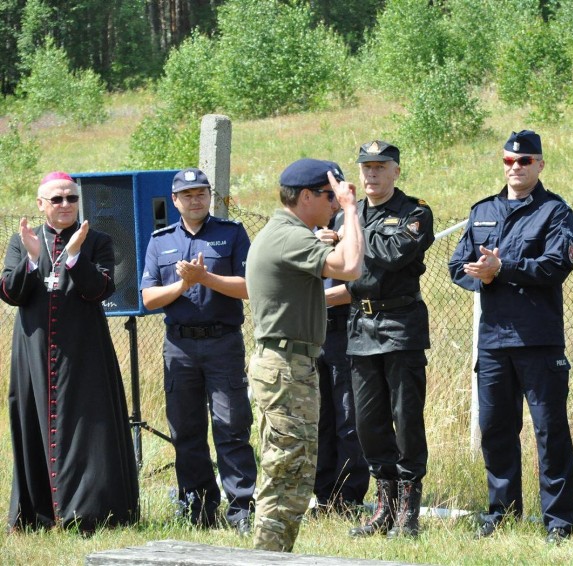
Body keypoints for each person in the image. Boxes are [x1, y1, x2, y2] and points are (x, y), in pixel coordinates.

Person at [448, 130, 573, 544]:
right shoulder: (482, 210)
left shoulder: (555, 212)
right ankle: (501, 513)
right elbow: (456, 264)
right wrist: (480, 276)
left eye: (524, 161)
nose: (515, 168)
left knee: (549, 431)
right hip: (493, 342)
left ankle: (558, 521)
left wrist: (503, 269)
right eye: (508, 161)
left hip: (538, 341)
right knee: (494, 429)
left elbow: (556, 265)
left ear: (540, 164)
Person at [1, 171, 139, 533]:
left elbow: (100, 291)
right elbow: (11, 294)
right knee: (35, 422)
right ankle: (39, 514)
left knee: (89, 426)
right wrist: (31, 261)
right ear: (41, 204)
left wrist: (76, 256)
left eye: (72, 198)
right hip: (33, 350)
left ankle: (92, 512)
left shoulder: (99, 240)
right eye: (57, 199)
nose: (66, 205)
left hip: (85, 349)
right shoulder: (23, 241)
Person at [245, 159, 363, 552]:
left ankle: (277, 555)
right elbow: (350, 267)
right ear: (307, 196)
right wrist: (351, 210)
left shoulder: (294, 234)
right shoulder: (289, 236)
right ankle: (265, 558)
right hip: (284, 367)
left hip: (292, 364)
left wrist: (326, 237)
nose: (335, 202)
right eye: (330, 195)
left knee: (295, 469)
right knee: (284, 468)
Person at [140, 167, 257, 534]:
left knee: (231, 425)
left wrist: (205, 278)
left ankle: (241, 510)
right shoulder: (159, 240)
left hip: (223, 342)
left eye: (201, 193)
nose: (195, 199)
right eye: (187, 194)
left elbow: (249, 287)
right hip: (179, 346)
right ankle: (198, 507)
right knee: (186, 430)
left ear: (210, 196)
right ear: (174, 201)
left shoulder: (231, 234)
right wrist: (182, 285)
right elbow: (148, 297)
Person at [335, 140, 434, 539]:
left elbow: (394, 255)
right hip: (360, 324)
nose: (372, 174)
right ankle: (384, 507)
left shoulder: (415, 212)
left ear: (396, 171)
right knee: (368, 421)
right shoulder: (352, 213)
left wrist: (349, 235)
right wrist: (346, 231)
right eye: (366, 167)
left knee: (406, 417)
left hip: (400, 324)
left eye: (380, 167)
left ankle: (408, 511)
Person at [312, 212, 369, 515]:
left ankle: (348, 498)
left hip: (346, 329)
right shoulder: (301, 227)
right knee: (319, 419)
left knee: (348, 418)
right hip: (310, 330)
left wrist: (307, 299)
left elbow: (360, 283)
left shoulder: (353, 224)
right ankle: (322, 496)